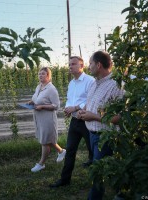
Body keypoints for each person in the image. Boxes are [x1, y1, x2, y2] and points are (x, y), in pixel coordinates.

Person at [77, 51, 124, 200]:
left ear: (98, 65)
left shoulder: (116, 86)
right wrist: (83, 111)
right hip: (93, 134)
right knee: (110, 168)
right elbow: (90, 104)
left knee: (98, 172)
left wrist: (94, 117)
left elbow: (120, 117)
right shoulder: (94, 83)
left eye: (90, 63)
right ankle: (122, 191)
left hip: (105, 137)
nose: (88, 67)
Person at [49, 56, 95, 188]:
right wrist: (69, 109)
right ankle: (65, 180)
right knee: (70, 150)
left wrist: (75, 108)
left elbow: (91, 100)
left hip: (87, 121)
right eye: (69, 64)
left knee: (93, 150)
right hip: (75, 121)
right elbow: (70, 100)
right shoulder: (72, 83)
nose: (70, 66)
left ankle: (98, 178)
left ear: (82, 66)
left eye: (73, 64)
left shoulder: (89, 81)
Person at [28, 67, 66, 172]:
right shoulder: (39, 87)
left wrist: (42, 107)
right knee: (48, 139)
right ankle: (62, 151)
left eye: (43, 74)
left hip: (47, 118)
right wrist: (32, 102)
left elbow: (56, 105)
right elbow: (37, 98)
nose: (40, 76)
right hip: (39, 117)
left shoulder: (51, 89)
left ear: (48, 76)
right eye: (39, 74)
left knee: (45, 141)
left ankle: (41, 164)